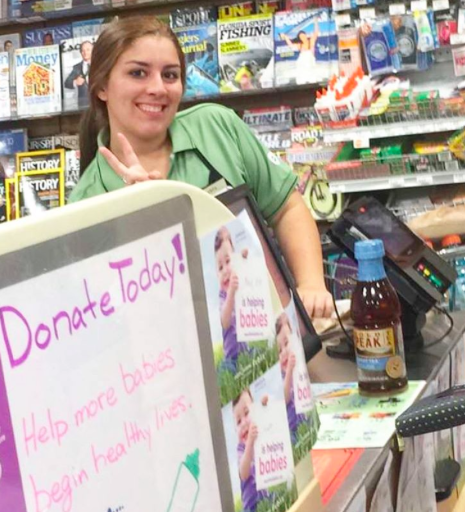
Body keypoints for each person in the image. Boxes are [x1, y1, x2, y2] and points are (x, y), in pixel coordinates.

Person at [69, 16, 333, 319]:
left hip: (270, 334)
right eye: (138, 73)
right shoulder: (86, 201)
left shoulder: (217, 127)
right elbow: (108, 316)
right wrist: (145, 221)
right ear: (101, 86)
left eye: (170, 75)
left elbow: (286, 207)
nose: (157, 88)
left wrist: (311, 284)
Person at [215, 226, 250, 371]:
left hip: (246, 352)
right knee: (224, 370)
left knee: (257, 353)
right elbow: (225, 321)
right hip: (231, 359)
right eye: (220, 267)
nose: (225, 271)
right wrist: (230, 293)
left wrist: (243, 258)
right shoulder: (223, 295)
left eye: (228, 261)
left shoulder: (239, 285)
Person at [233, 388, 270, 511]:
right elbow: (243, 473)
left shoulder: (259, 436)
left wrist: (263, 406)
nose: (243, 423)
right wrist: (249, 443)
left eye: (247, 412)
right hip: (252, 507)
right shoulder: (241, 449)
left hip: (267, 501)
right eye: (238, 422)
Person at [276, 312, 306, 443]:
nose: (284, 353)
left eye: (286, 343)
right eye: (278, 351)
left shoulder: (299, 368)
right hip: (291, 432)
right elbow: (285, 397)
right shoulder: (282, 377)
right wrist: (288, 371)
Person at [64, 40, 94, 108]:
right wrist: (75, 82)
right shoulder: (77, 67)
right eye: (83, 51)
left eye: (88, 50)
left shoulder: (99, 65)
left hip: (98, 103)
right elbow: (67, 83)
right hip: (83, 105)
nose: (85, 52)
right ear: (80, 53)